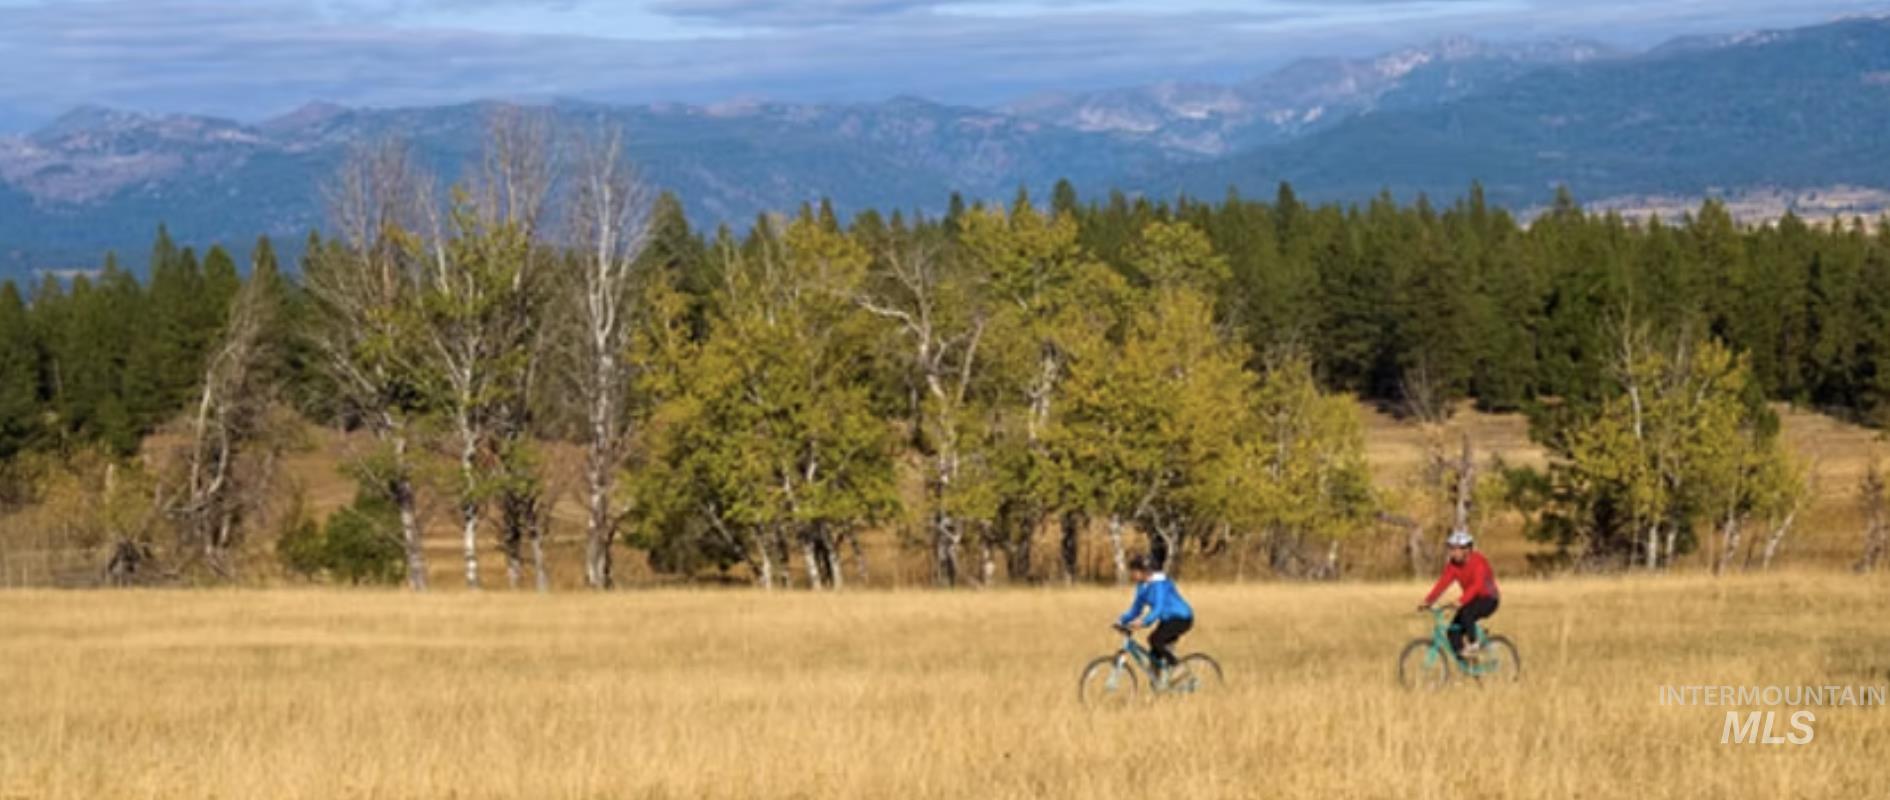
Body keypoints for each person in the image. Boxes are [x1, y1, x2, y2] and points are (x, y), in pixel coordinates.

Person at [1418, 529, 1500, 659]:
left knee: (1467, 612)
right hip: (1471, 599)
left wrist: (1461, 601)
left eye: (1455, 549)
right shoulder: (1453, 565)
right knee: (1452, 631)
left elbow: (1477, 586)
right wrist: (1428, 600)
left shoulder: (1479, 562)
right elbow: (1442, 583)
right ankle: (1469, 665)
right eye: (1451, 549)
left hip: (1488, 599)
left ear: (1466, 550)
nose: (1452, 552)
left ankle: (1474, 643)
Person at [1118, 554, 1194, 684]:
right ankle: (1159, 684)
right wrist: (1122, 620)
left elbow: (1158, 608)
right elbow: (1136, 609)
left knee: (1156, 639)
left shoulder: (1160, 584)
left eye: (1135, 571)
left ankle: (1178, 667)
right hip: (1167, 620)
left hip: (1182, 618)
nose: (1132, 575)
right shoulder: (1142, 587)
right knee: (1153, 654)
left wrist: (1144, 621)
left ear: (1144, 571)